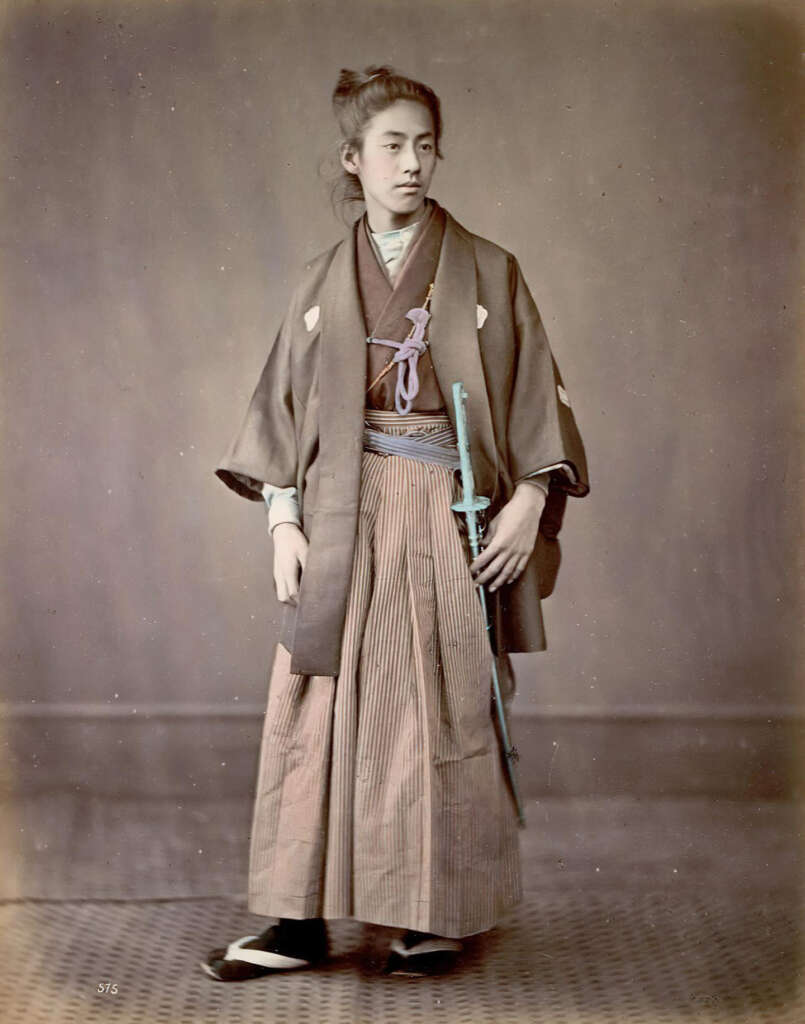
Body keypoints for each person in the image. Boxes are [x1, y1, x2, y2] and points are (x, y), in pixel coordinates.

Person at [201, 64, 589, 982]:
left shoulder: (490, 268)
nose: (413, 163)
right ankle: (298, 922)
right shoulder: (320, 279)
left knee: (439, 704)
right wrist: (282, 521)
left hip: (444, 509)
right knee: (318, 705)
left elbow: (538, 402)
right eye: (391, 146)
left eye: (425, 146)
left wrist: (529, 502)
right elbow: (281, 412)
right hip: (341, 508)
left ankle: (433, 914)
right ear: (353, 159)